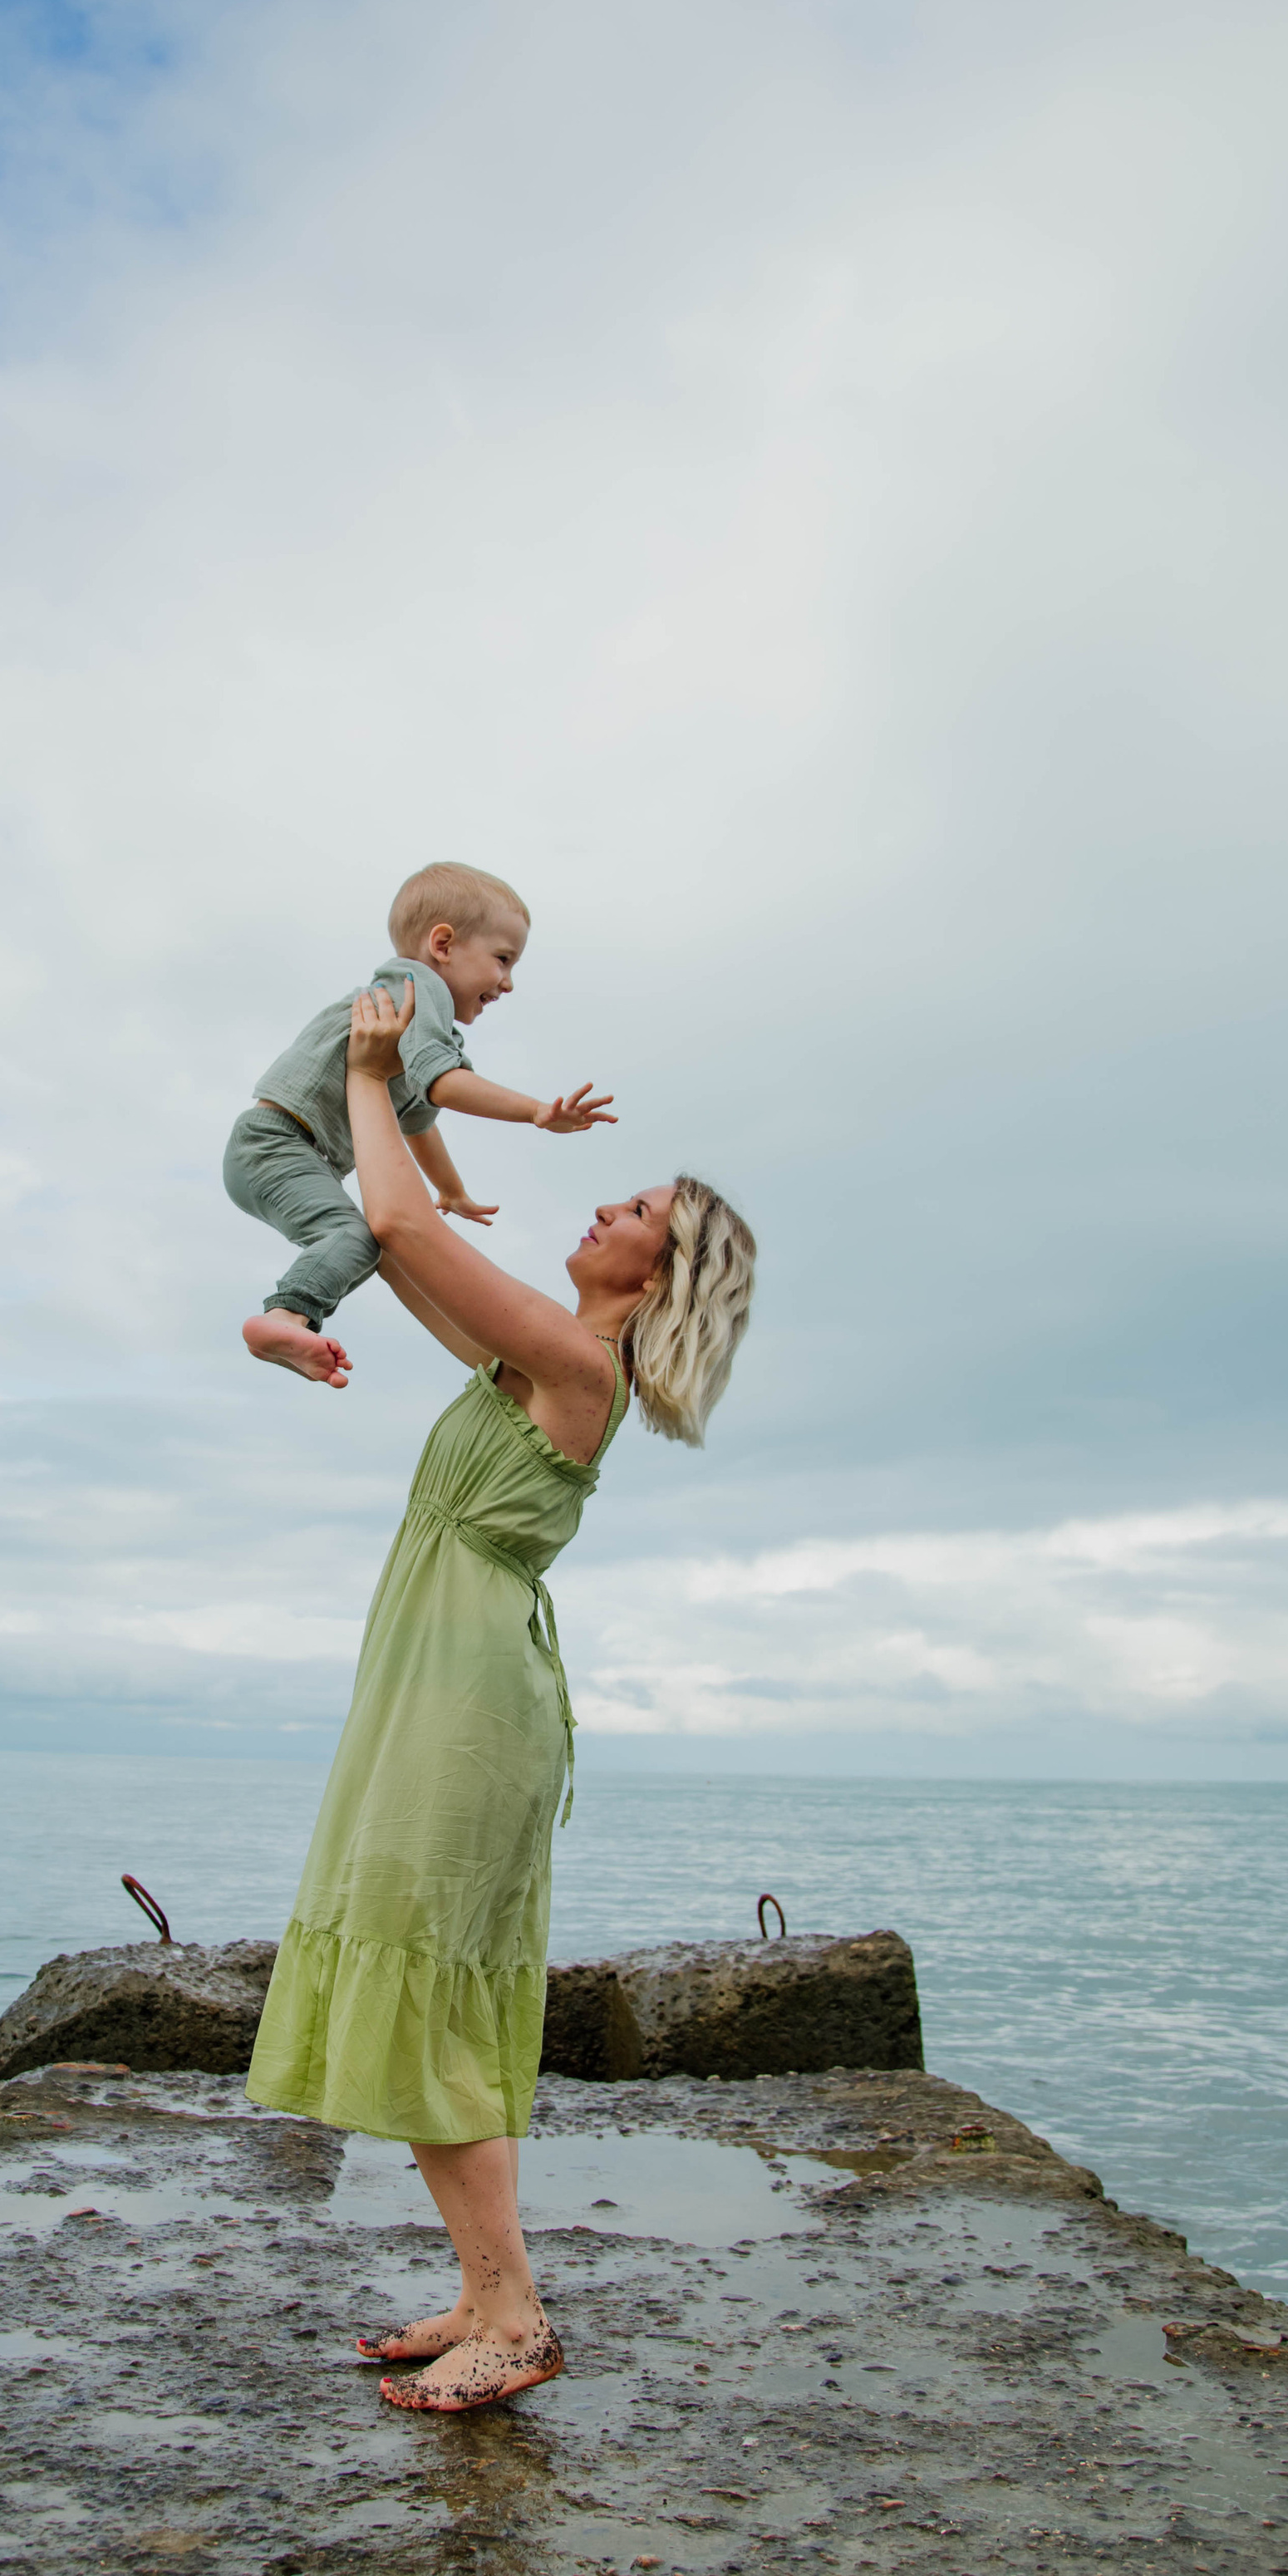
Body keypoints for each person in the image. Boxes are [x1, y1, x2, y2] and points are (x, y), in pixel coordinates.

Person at [245, 976, 758, 2411]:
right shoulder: (529, 1348)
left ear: (656, 1278)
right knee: (440, 1995)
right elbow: (403, 1256)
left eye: (636, 1213)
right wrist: (378, 1167)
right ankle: (480, 2289)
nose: (604, 1209)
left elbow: (404, 1225)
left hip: (469, 1700)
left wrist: (368, 1074)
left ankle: (517, 2316)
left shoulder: (576, 1360)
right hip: (441, 1675)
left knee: (432, 1990)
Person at [224, 859, 617, 1390]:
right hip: (277, 1142)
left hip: (286, 1150)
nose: (507, 983)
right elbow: (443, 1083)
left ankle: (287, 1325)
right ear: (443, 944)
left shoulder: (418, 1033)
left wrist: (451, 1192)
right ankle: (282, 1317)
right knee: (355, 1237)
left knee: (362, 1244)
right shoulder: (415, 985)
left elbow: (421, 1121)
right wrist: (536, 1111)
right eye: (502, 959)